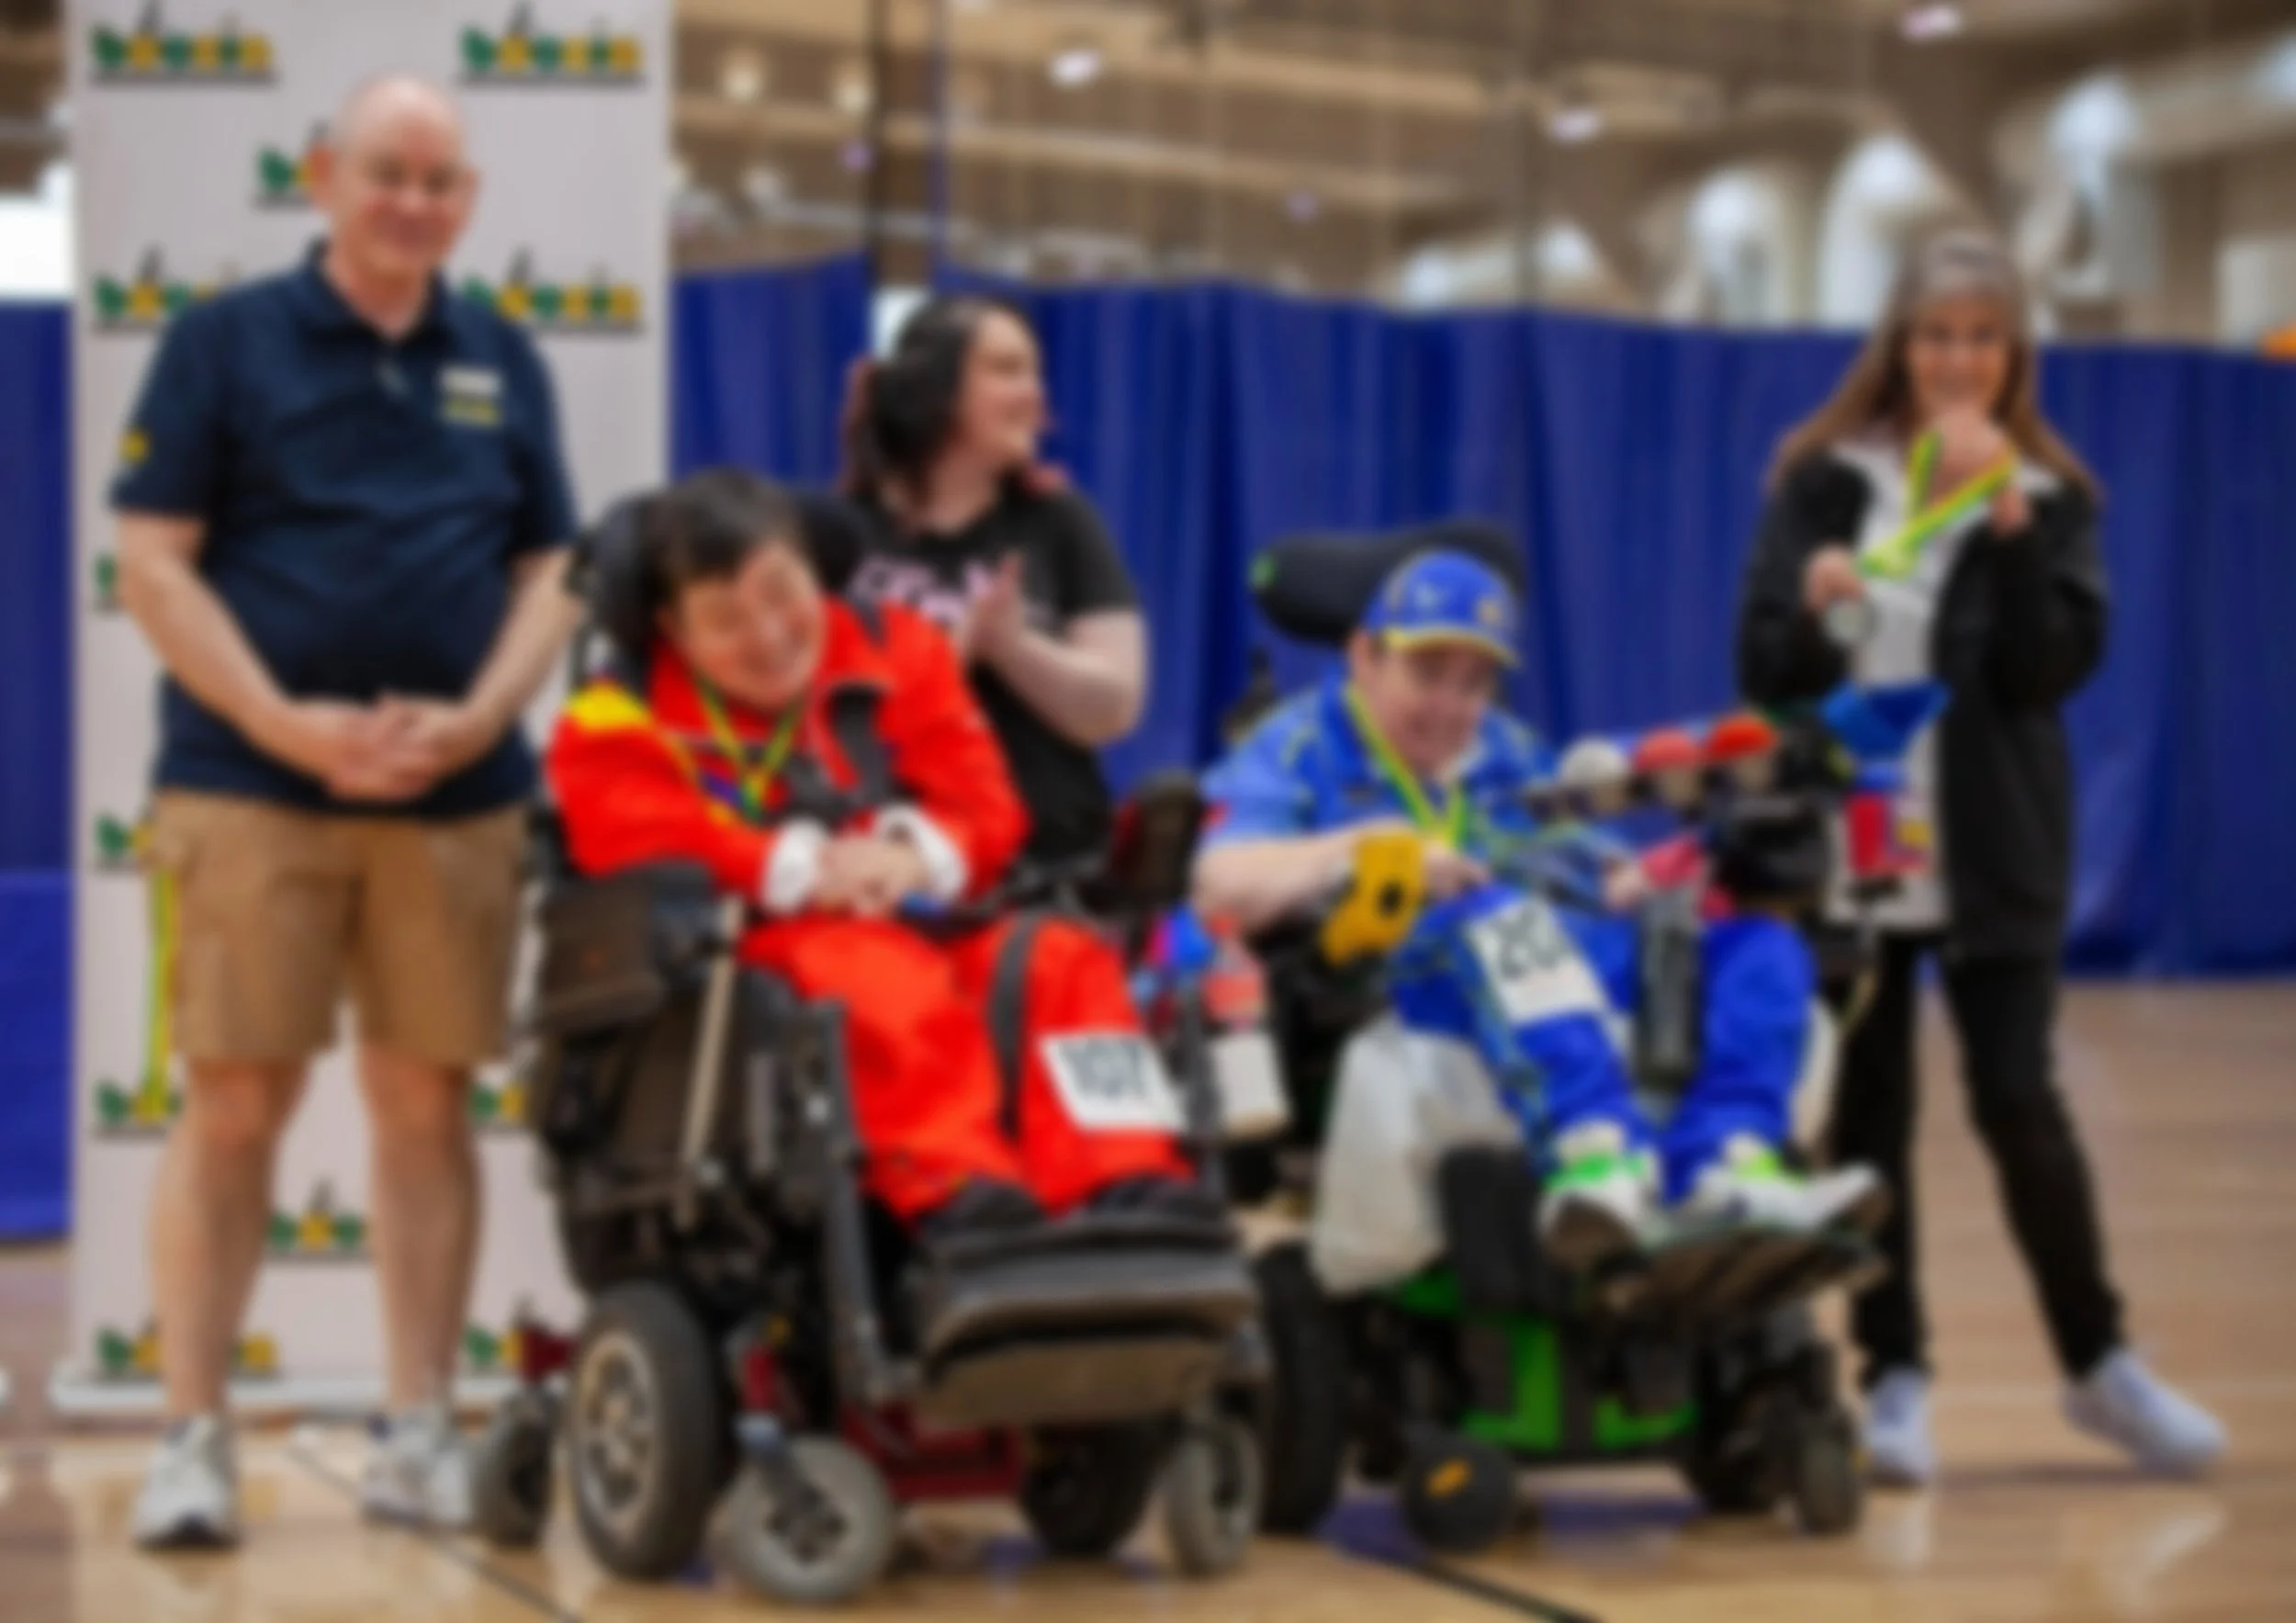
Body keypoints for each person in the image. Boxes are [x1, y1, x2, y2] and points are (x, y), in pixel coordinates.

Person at [112, 77, 580, 1545]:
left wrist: (488, 712)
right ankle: (191, 1437)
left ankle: (421, 1422)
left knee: (425, 1103)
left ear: (470, 200)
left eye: (441, 182)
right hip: (248, 788)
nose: (413, 204)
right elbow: (155, 563)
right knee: (236, 1100)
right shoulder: (220, 342)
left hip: (458, 798)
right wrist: (279, 721)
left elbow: (549, 570)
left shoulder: (501, 351)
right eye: (387, 173)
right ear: (321, 176)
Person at [1735, 229, 2223, 1483]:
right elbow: (1765, 670)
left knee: (2019, 1100)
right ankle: (1894, 1376)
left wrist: (2006, 522)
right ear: (1899, 343)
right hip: (1856, 843)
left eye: (1983, 336)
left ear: (2015, 357)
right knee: (1871, 1112)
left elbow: (2044, 669)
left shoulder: (2059, 497)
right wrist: (1815, 601)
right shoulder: (1820, 476)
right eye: (1937, 332)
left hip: (1996, 841)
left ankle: (2099, 1362)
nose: (1958, 359)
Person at [546, 469, 1211, 1244]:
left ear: (813, 569)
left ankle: (1129, 1182)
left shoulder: (900, 644)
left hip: (924, 914)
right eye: (724, 619)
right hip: (753, 950)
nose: (767, 634)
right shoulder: (613, 710)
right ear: (673, 629)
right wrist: (803, 867)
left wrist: (911, 855)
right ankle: (962, 1193)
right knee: (874, 975)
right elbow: (630, 828)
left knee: (1060, 956)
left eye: (780, 591)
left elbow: (987, 803)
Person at [1192, 549, 1882, 1283]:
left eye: (1474, 684)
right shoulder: (1299, 744)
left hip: (1556, 954)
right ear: (1366, 655)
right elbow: (1216, 881)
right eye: (1427, 674)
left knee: (1762, 944)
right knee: (1497, 914)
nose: (1450, 708)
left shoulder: (1505, 749)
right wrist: (1364, 845)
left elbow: (1585, 853)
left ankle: (1733, 1160)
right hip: (1407, 972)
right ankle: (1595, 1152)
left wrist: (1632, 876)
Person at [838, 295, 1145, 868]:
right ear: (932, 386)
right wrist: (954, 649)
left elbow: (1114, 710)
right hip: (893, 860)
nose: (1035, 394)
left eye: (1034, 372)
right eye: (1006, 369)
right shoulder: (841, 533)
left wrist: (1012, 647)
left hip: (1053, 865)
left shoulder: (1059, 520)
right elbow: (834, 718)